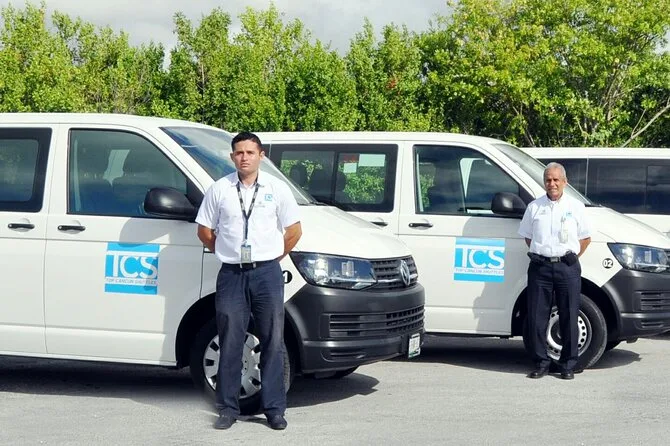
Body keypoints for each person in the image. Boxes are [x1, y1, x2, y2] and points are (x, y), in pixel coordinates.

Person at [196, 132, 302, 430]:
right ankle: (227, 409)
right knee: (230, 339)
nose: (244, 157)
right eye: (239, 153)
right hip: (232, 274)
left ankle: (274, 409)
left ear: (261, 156)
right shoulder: (220, 189)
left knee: (272, 340)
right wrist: (226, 251)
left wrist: (273, 257)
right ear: (232, 157)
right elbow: (204, 230)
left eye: (250, 152)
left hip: (267, 273)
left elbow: (294, 230)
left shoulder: (276, 189)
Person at [518, 162, 591, 380]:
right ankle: (541, 363)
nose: (552, 184)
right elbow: (527, 236)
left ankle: (568, 365)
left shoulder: (576, 207)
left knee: (569, 315)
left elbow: (585, 238)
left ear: (565, 182)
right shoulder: (534, 207)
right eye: (548, 180)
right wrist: (544, 254)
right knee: (537, 317)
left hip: (566, 267)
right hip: (540, 267)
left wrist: (569, 257)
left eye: (556, 180)